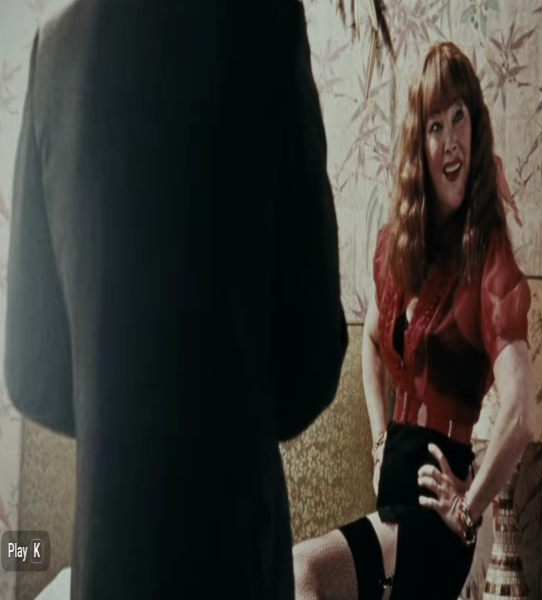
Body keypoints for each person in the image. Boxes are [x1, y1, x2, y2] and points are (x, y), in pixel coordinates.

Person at [4, 0, 347, 598]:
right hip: (235, 562)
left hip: (111, 565)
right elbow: (314, 363)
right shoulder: (267, 25)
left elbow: (30, 370)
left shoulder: (54, 48)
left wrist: (119, 421)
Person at [292, 41, 537, 600]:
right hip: (394, 500)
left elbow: (522, 413)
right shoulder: (397, 250)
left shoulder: (489, 260)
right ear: (419, 145)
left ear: (476, 131)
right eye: (434, 125)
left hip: (433, 519)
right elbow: (372, 343)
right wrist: (380, 441)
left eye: (459, 117)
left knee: (302, 571)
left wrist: (468, 509)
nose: (449, 139)